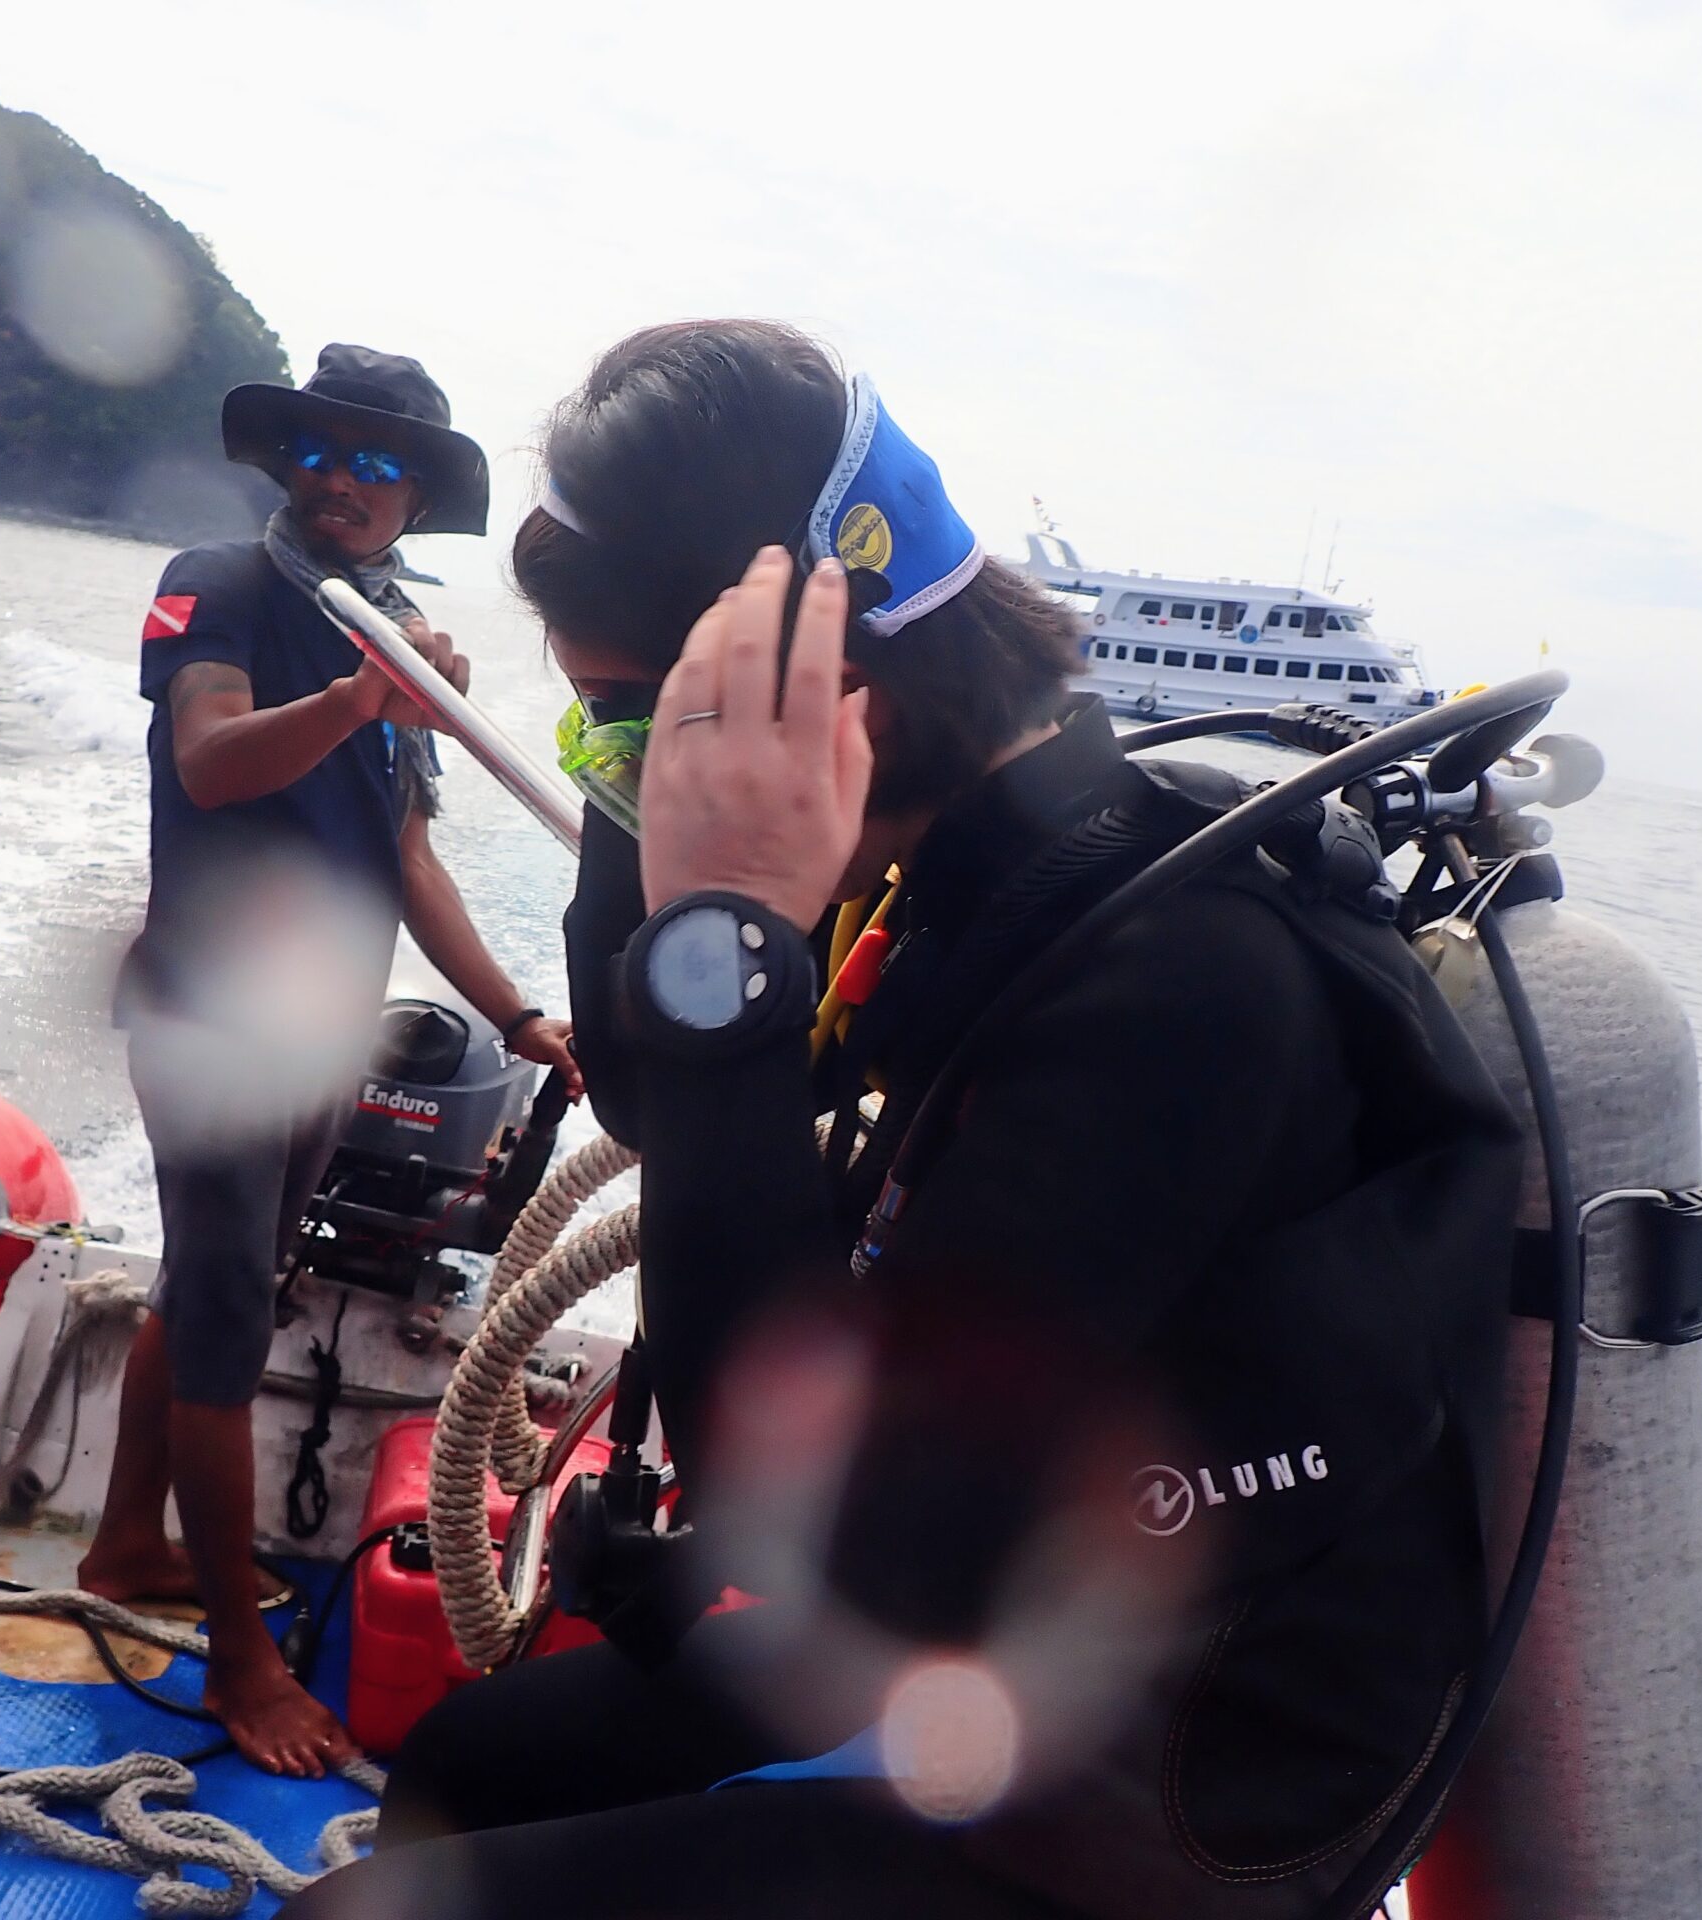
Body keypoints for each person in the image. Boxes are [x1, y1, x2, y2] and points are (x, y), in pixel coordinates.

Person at [283, 321, 1520, 1918]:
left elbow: (861, 1543)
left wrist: (726, 906)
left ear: (826, 695)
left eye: (636, 732)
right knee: (478, 1767)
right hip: (998, 1600)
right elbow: (668, 1098)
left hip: (1175, 1786)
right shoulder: (979, 884)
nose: (619, 774)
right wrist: (648, 830)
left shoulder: (1177, 988)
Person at [80, 344, 579, 1778]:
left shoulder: (396, 631)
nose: (345, 480)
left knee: (211, 1286)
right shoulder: (219, 586)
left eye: (379, 462)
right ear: (288, 463)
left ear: (414, 493)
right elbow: (210, 763)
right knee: (231, 1321)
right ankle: (243, 1667)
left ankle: (125, 1542)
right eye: (325, 453)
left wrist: (518, 1013)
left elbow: (409, 856)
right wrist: (362, 698)